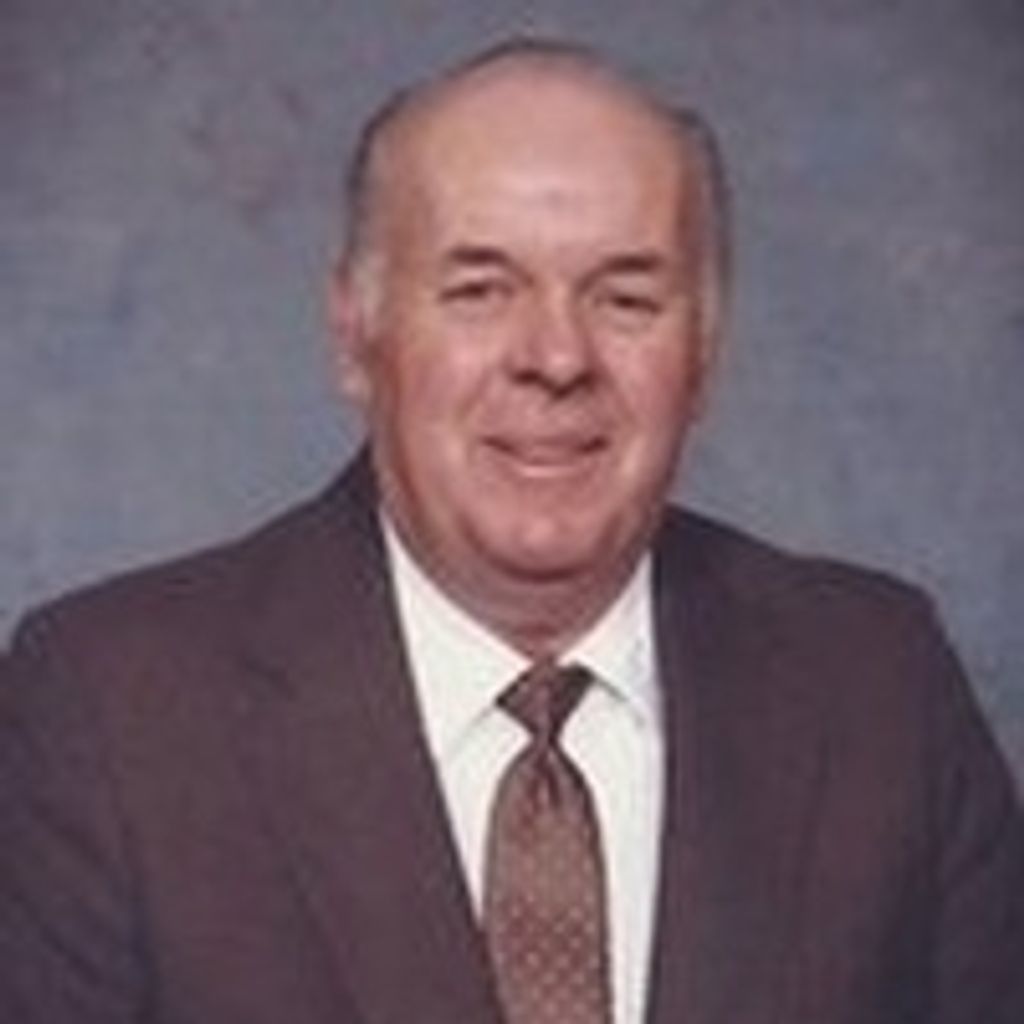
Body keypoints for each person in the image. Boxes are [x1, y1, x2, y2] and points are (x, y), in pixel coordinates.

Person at [1, 38, 1021, 1024]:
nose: (556, 357)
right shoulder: (112, 711)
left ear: (704, 352)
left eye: (626, 297)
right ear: (356, 336)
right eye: (480, 291)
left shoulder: (879, 684)